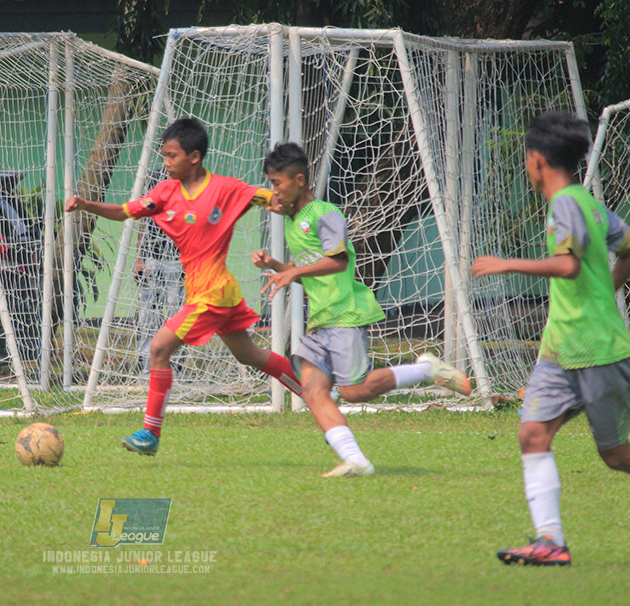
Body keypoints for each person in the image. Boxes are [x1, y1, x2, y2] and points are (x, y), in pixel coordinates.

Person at [64, 117, 302, 456]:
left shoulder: (226, 189)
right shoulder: (165, 192)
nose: (166, 162)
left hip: (213, 293)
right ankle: (313, 390)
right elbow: (124, 211)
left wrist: (298, 210)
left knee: (159, 349)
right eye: (164, 156)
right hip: (212, 294)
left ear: (195, 157)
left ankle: (150, 433)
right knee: (250, 355)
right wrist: (87, 205)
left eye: (171, 156)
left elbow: (277, 200)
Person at [255, 142, 471, 477]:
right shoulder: (296, 221)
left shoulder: (326, 214)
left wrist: (293, 271)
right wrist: (281, 267)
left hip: (345, 315)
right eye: (270, 184)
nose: (274, 192)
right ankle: (355, 460)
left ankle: (425, 371)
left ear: (299, 180)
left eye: (277, 184)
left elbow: (338, 262)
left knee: (355, 391)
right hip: (321, 322)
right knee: (312, 391)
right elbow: (312, 275)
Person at [471, 111, 630, 567]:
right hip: (560, 350)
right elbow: (628, 246)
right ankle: (550, 543)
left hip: (597, 350)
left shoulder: (566, 204)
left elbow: (568, 266)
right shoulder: (589, 202)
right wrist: (609, 287)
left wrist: (505, 264)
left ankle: (551, 541)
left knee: (617, 456)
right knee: (532, 433)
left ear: (537, 161)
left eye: (526, 158)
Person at [134, 167, 185, 375]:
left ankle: (176, 368)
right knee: (148, 316)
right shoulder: (152, 178)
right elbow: (143, 219)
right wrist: (138, 257)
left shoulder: (187, 182)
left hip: (177, 260)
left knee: (177, 316)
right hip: (151, 259)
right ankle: (148, 368)